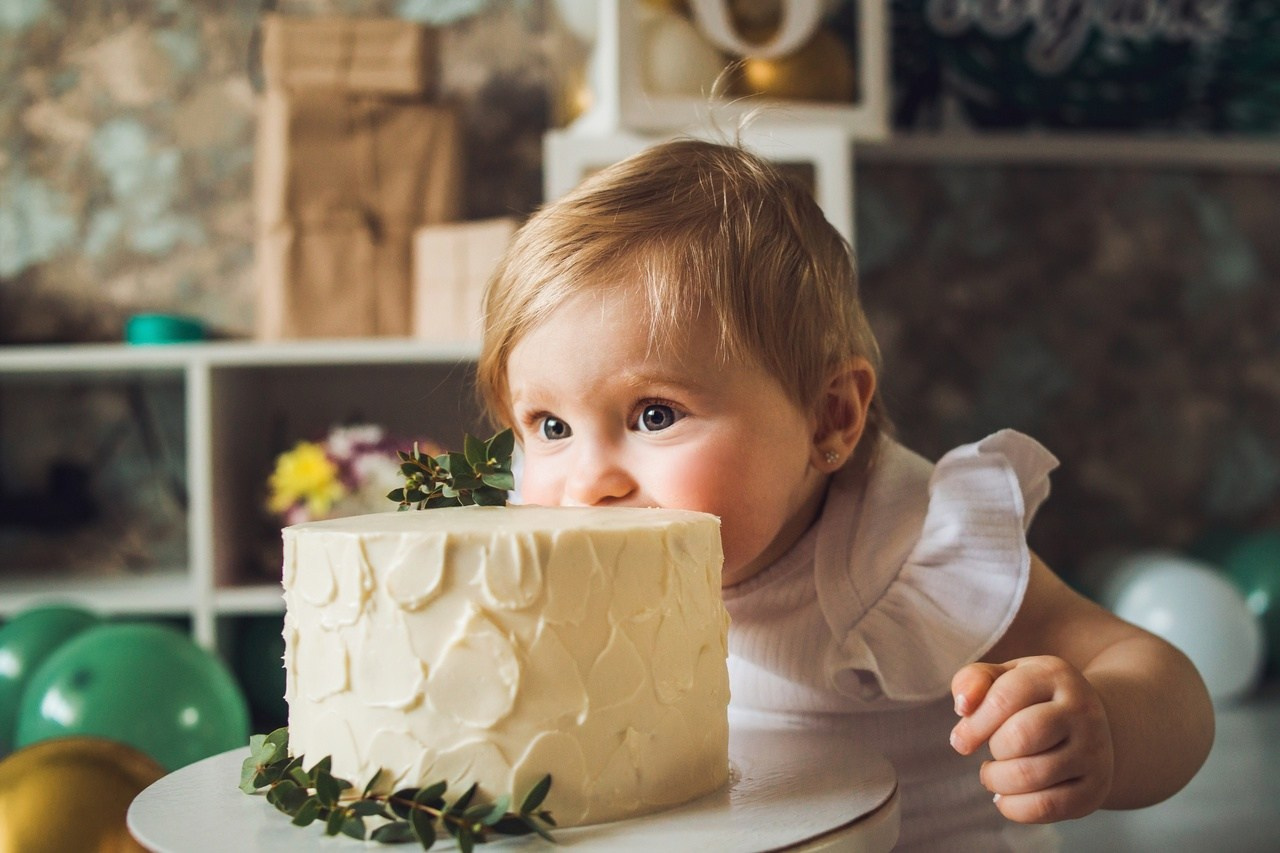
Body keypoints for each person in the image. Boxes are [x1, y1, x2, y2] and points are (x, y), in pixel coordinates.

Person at [476, 138, 1214, 850]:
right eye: (550, 426)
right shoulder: (564, 561)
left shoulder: (905, 547)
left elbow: (1158, 675)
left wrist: (1103, 727)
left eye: (655, 415)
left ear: (828, 417)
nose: (588, 483)